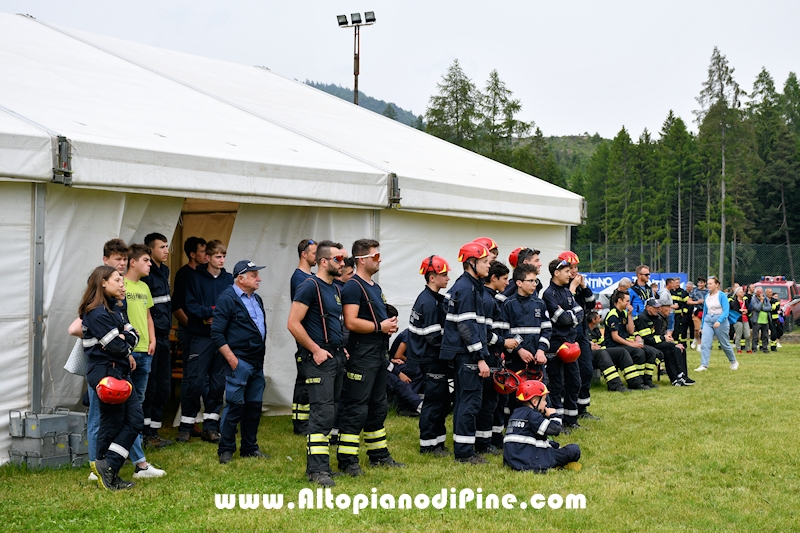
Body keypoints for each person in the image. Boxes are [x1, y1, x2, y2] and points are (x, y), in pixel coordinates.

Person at [337, 239, 404, 475]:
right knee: (356, 407)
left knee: (378, 406)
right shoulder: (353, 286)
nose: (380, 260)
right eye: (376, 256)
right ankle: (347, 459)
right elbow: (351, 321)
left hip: (377, 354)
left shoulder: (374, 287)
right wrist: (380, 327)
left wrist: (388, 324)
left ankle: (378, 455)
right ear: (361, 260)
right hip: (361, 354)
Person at [68, 239, 130, 481]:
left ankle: (133, 462)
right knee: (99, 419)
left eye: (124, 260)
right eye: (118, 261)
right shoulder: (96, 308)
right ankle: (97, 466)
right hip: (102, 368)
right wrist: (106, 339)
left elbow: (128, 333)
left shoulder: (116, 301)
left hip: (117, 364)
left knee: (123, 418)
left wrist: (123, 339)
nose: (122, 265)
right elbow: (74, 328)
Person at [288, 241, 348, 485]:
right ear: (324, 262)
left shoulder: (334, 288)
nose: (342, 263)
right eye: (338, 259)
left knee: (331, 412)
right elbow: (293, 323)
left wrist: (340, 347)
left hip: (334, 357)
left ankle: (322, 466)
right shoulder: (308, 286)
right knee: (321, 414)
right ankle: (316, 470)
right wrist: (315, 349)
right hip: (318, 359)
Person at [82, 266, 142, 491]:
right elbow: (118, 346)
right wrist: (126, 338)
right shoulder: (96, 312)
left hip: (120, 371)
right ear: (103, 282)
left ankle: (109, 468)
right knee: (112, 422)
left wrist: (126, 338)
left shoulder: (114, 310)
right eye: (118, 280)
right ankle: (107, 471)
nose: (122, 284)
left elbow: (133, 335)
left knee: (133, 419)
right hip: (108, 373)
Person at [440, 242, 492, 464]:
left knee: (465, 401)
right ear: (472, 263)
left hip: (464, 354)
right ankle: (464, 453)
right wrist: (480, 358)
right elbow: (466, 327)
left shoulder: (470, 286)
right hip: (468, 356)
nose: (489, 266)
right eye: (485, 262)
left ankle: (464, 448)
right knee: (469, 402)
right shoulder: (467, 289)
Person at [213, 260, 269, 465]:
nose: (259, 279)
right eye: (254, 275)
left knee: (254, 406)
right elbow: (217, 333)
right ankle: (226, 449)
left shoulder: (257, 299)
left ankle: (249, 447)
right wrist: (233, 360)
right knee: (235, 406)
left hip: (256, 362)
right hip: (239, 362)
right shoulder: (227, 299)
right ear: (241, 278)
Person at [179, 240, 233, 442]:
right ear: (208, 257)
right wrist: (206, 314)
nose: (221, 260)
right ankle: (186, 426)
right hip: (200, 337)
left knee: (218, 383)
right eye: (217, 256)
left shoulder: (228, 279)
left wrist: (217, 316)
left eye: (223, 256)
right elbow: (189, 304)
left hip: (221, 337)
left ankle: (210, 426)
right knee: (195, 381)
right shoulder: (194, 277)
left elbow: (232, 304)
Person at [123, 244, 165, 479]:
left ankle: (138, 461)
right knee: (128, 408)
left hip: (144, 351)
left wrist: (153, 340)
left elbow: (148, 316)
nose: (150, 264)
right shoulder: (120, 284)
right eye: (147, 260)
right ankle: (138, 461)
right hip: (126, 353)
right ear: (133, 262)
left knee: (137, 404)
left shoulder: (145, 287)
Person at [407, 255, 450, 455]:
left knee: (441, 401)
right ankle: (428, 444)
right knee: (433, 402)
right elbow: (434, 338)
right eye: (444, 275)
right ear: (432, 277)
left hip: (430, 359)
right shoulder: (429, 303)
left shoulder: (433, 299)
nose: (447, 278)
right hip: (431, 360)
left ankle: (438, 442)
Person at [499, 264, 552, 417]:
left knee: (539, 393)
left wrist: (541, 350)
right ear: (519, 283)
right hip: (515, 361)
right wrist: (519, 350)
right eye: (531, 281)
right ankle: (514, 425)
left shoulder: (540, 304)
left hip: (537, 360)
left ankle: (539, 424)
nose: (535, 285)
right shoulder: (508, 304)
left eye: (536, 281)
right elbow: (504, 332)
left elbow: (547, 329)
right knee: (516, 395)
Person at [171, 236, 208, 439]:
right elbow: (176, 306)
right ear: (193, 254)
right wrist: (192, 325)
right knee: (190, 377)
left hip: (203, 334)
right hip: (190, 333)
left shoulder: (204, 274)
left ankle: (205, 420)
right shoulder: (185, 274)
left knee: (204, 377)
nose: (207, 255)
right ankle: (187, 421)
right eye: (203, 251)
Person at [503, 380, 581, 473]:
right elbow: (554, 429)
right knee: (574, 450)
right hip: (531, 461)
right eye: (544, 400)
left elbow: (538, 436)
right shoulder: (532, 415)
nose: (546, 404)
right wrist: (554, 415)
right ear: (535, 402)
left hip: (512, 460)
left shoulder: (516, 413)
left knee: (553, 445)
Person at [541, 259, 583, 430]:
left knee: (574, 381)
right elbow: (563, 319)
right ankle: (558, 422)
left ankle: (571, 420)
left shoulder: (567, 292)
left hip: (570, 344)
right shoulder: (548, 294)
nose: (570, 274)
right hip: (555, 345)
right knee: (557, 384)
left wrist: (569, 316)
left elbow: (580, 312)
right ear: (556, 273)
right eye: (566, 271)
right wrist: (570, 316)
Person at [141, 233, 173, 448]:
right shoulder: (146, 275)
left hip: (164, 338)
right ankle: (144, 433)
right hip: (151, 339)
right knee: (149, 388)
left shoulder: (165, 271)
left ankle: (155, 430)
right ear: (150, 250)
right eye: (161, 247)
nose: (166, 250)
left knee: (163, 387)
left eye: (167, 246)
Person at [560, 251, 600, 421]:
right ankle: (568, 408)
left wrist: (583, 287)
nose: (575, 271)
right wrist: (573, 288)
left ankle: (582, 407)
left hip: (582, 334)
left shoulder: (578, 286)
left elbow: (591, 303)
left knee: (586, 370)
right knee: (569, 375)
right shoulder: (561, 287)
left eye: (576, 267)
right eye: (571, 267)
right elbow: (566, 305)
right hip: (568, 336)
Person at [480, 260, 513, 453]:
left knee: (495, 402)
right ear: (493, 278)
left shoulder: (493, 298)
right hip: (488, 357)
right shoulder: (486, 300)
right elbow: (483, 332)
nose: (507, 283)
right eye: (505, 279)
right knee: (487, 403)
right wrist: (503, 343)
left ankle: (494, 438)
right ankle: (484, 444)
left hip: (495, 356)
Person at [290, 238, 317, 435]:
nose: (317, 256)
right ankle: (300, 423)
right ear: (304, 254)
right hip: (305, 333)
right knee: (304, 378)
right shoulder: (299, 278)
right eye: (314, 253)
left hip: (312, 333)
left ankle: (307, 419)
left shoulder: (311, 276)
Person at [635, 298, 692, 387]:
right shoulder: (642, 318)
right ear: (649, 308)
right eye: (655, 308)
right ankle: (679, 374)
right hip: (646, 344)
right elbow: (647, 339)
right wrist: (663, 338)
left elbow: (658, 334)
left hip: (655, 343)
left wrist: (664, 338)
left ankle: (678, 377)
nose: (657, 309)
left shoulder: (656, 317)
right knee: (671, 347)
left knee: (675, 349)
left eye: (658, 307)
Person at [604, 291, 653, 389]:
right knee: (638, 352)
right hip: (613, 346)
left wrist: (630, 315)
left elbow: (630, 330)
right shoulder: (613, 315)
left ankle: (643, 380)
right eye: (627, 301)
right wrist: (632, 344)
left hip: (622, 343)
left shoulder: (624, 313)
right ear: (619, 300)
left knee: (648, 351)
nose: (628, 304)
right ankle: (634, 383)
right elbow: (615, 337)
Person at [695, 276, 739, 371]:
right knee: (705, 343)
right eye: (708, 283)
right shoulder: (707, 296)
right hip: (708, 320)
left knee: (724, 344)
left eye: (711, 283)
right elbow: (705, 312)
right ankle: (704, 365)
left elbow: (726, 311)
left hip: (720, 320)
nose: (708, 285)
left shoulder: (722, 295)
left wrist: (719, 321)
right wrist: (702, 326)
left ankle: (733, 361)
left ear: (717, 285)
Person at [586, 311, 634, 392]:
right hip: (586, 353)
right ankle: (615, 385)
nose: (600, 320)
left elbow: (602, 343)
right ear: (593, 320)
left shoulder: (596, 330)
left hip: (598, 351)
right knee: (602, 354)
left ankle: (635, 382)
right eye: (598, 318)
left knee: (621, 351)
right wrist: (590, 346)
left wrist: (600, 347)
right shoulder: (584, 330)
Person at [749, 287, 771, 354]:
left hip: (765, 320)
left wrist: (762, 308)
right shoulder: (753, 299)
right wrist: (761, 301)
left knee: (765, 335)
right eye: (759, 292)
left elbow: (769, 308)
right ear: (756, 293)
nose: (761, 293)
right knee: (755, 336)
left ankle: (765, 348)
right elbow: (757, 308)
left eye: (761, 292)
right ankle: (754, 348)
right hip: (757, 320)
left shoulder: (766, 299)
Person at [729, 287, 751, 354]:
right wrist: (741, 311)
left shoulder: (745, 301)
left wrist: (747, 311)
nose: (743, 293)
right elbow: (735, 310)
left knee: (747, 335)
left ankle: (748, 348)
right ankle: (738, 349)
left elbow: (749, 309)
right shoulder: (734, 302)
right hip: (738, 320)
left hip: (745, 319)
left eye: (743, 292)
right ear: (737, 293)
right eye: (741, 292)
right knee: (739, 335)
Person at [688, 277, 708, 351]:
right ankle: (696, 340)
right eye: (699, 282)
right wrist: (697, 302)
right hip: (696, 312)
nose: (699, 284)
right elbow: (688, 301)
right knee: (697, 328)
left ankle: (699, 343)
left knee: (703, 329)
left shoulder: (708, 292)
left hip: (705, 312)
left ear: (705, 283)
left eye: (701, 282)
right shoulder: (694, 291)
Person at [670, 278, 691, 345]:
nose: (677, 284)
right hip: (671, 314)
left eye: (678, 282)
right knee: (672, 328)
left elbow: (687, 304)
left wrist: (684, 312)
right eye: (676, 282)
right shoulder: (670, 292)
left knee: (679, 329)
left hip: (679, 314)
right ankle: (673, 342)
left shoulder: (683, 292)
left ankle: (682, 343)